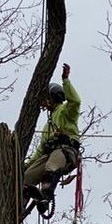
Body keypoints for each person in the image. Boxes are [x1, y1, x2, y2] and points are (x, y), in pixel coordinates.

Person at [24, 63, 81, 215]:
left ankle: (45, 197)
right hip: (50, 155)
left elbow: (75, 102)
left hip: (66, 151)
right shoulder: (46, 127)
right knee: (27, 177)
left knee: (51, 165)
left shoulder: (65, 111)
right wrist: (26, 165)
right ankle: (20, 203)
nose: (44, 102)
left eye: (46, 98)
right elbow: (40, 150)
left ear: (54, 97)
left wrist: (66, 80)